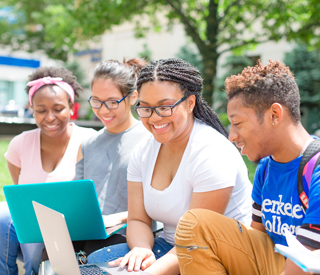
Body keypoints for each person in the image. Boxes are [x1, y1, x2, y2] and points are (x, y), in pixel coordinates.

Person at [87, 58, 253, 275]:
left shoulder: (212, 152)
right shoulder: (144, 149)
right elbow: (138, 219)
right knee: (96, 262)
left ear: (190, 102)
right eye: (145, 108)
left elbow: (197, 240)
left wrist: (148, 273)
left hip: (221, 256)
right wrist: (142, 250)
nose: (154, 118)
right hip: (170, 247)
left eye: (165, 107)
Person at [174, 60, 320, 275]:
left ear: (274, 115)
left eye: (238, 123)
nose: (232, 136)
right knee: (195, 223)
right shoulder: (266, 168)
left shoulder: (315, 169)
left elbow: (305, 259)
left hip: (304, 266)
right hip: (277, 262)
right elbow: (255, 240)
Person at [40, 58, 150, 261]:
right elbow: (78, 198)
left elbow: (156, 204)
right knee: (49, 254)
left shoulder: (149, 139)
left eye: (112, 102)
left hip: (126, 231)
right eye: (96, 101)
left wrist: (114, 218)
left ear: (133, 97)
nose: (103, 110)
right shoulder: (88, 143)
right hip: (87, 229)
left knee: (95, 255)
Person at [0, 67, 96, 275]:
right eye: (41, 110)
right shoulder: (20, 143)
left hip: (72, 227)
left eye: (58, 108)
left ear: (72, 107)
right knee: (3, 213)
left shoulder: (89, 140)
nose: (50, 117)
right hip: (32, 226)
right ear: (31, 109)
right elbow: (20, 194)